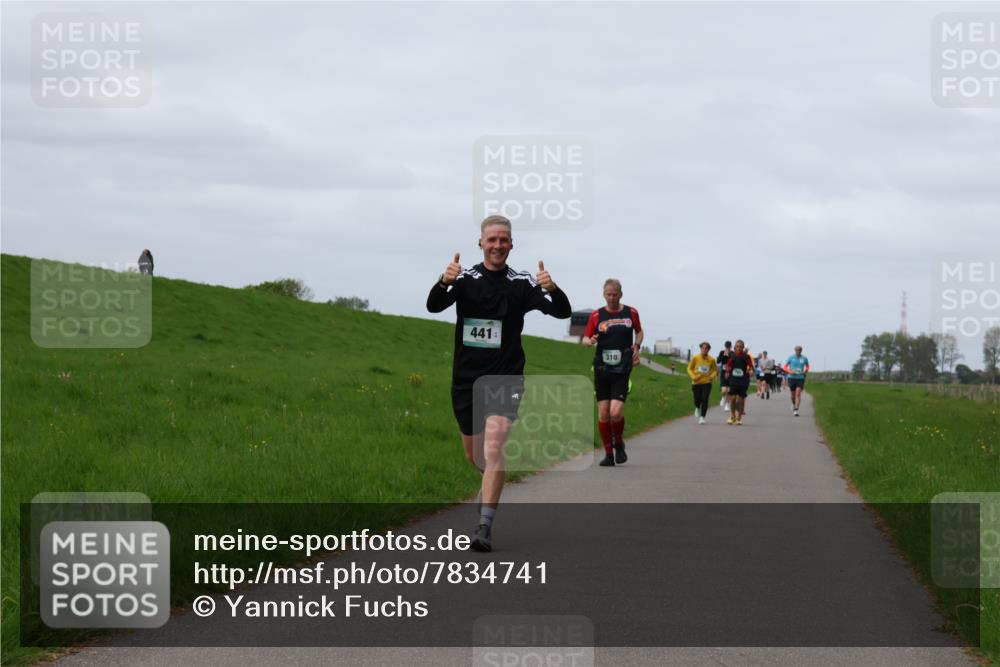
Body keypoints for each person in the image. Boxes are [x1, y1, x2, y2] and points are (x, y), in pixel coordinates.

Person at [426, 215, 571, 552]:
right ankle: (488, 487)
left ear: (511, 244)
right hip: (466, 379)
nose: (498, 245)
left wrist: (552, 288)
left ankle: (484, 528)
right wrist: (443, 282)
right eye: (492, 239)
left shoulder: (521, 283)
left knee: (494, 448)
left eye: (504, 239)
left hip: (506, 377)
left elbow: (562, 312)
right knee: (476, 456)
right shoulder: (466, 279)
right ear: (481, 243)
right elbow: (433, 306)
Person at [582, 279, 643, 466]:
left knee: (615, 413)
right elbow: (585, 338)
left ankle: (619, 442)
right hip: (602, 369)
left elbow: (639, 332)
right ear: (603, 294)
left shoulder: (631, 312)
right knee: (603, 413)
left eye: (615, 294)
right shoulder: (596, 315)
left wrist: (636, 346)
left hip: (622, 369)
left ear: (621, 294)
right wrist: (590, 341)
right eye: (608, 294)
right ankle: (609, 454)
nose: (611, 297)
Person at [687, 341, 718, 425]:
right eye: (703, 348)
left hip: (707, 382)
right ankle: (697, 407)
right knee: (697, 399)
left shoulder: (711, 360)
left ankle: (702, 417)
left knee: (705, 399)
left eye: (706, 348)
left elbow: (715, 370)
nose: (704, 350)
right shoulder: (695, 358)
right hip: (696, 382)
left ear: (708, 350)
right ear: (700, 348)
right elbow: (689, 368)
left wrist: (712, 376)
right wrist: (693, 376)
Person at [724, 339, 754, 425]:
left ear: (743, 347)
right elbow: (728, 365)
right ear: (735, 347)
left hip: (743, 380)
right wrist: (727, 372)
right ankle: (732, 416)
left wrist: (750, 371)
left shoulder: (746, 357)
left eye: (741, 347)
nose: (739, 348)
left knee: (741, 399)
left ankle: (739, 417)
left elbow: (750, 366)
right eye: (737, 346)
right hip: (733, 379)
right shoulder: (732, 356)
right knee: (733, 398)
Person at [784, 345, 811, 417]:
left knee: (798, 393)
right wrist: (790, 371)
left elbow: (808, 366)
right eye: (797, 350)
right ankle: (793, 403)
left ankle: (796, 410)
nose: (798, 351)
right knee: (792, 395)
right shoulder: (791, 357)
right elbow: (785, 367)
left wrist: (805, 371)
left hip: (800, 378)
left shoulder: (804, 358)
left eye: (799, 350)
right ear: (795, 350)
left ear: (801, 351)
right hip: (791, 377)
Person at [717, 340, 733, 410]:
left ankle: (727, 404)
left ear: (731, 347)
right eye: (727, 347)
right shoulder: (722, 352)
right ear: (725, 346)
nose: (728, 348)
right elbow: (718, 361)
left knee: (729, 390)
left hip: (730, 373)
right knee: (724, 390)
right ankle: (723, 397)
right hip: (723, 373)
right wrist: (724, 355)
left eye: (729, 347)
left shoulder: (732, 353)